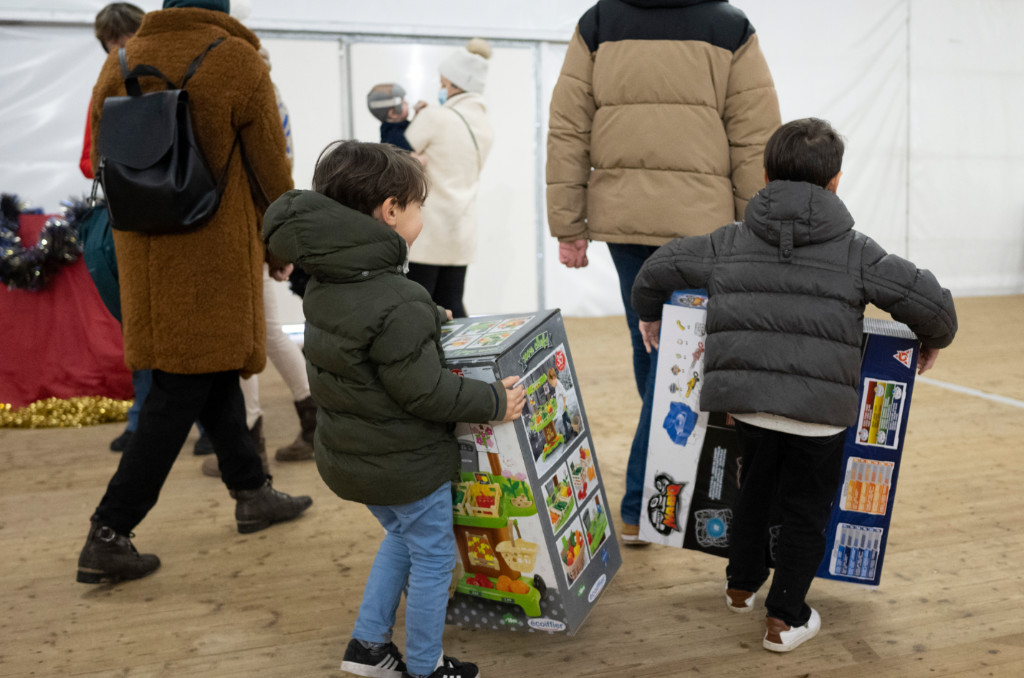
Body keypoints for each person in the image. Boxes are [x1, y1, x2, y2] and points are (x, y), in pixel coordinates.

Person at [631, 118, 958, 652]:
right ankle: (785, 617)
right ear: (835, 182)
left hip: (749, 406)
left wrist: (649, 315)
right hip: (820, 414)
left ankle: (740, 586)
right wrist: (932, 338)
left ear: (764, 174)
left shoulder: (727, 241)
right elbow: (933, 304)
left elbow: (657, 269)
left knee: (754, 489)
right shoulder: (857, 251)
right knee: (806, 510)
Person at [263, 140, 526, 678]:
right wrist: (496, 401)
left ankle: (368, 648)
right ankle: (425, 668)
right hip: (404, 462)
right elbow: (425, 392)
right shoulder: (396, 298)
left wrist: (423, 316)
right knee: (433, 558)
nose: (421, 215)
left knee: (403, 539)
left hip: (351, 457)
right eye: (418, 205)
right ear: (390, 211)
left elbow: (369, 336)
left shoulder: (329, 284)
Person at [76, 0, 312, 585]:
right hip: (211, 253)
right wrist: (282, 247)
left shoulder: (122, 60)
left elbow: (101, 158)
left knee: (210, 369)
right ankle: (110, 530)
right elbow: (269, 172)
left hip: (143, 251)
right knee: (177, 390)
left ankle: (252, 492)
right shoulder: (236, 60)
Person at [546, 0, 782, 545]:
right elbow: (754, 138)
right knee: (673, 354)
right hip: (702, 223)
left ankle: (654, 475)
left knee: (655, 347)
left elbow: (567, 128)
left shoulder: (600, 23)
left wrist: (569, 224)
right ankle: (640, 502)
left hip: (623, 218)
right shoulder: (730, 29)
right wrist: (758, 228)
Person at [79, 3, 146, 453]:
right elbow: (88, 161)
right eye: (113, 42)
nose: (120, 49)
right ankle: (143, 418)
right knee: (139, 324)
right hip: (132, 216)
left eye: (125, 38)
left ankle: (204, 425)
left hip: (160, 216)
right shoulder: (107, 83)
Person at [403, 38, 495, 318]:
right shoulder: (485, 127)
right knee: (452, 304)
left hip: (426, 232)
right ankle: (463, 362)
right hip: (460, 231)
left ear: (455, 84)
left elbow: (396, 156)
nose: (441, 89)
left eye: (443, 84)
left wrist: (417, 117)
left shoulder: (435, 117)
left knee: (418, 309)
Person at [368, 82, 414, 151]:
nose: (407, 103)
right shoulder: (392, 134)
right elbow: (406, 155)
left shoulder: (399, 124)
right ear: (392, 113)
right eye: (403, 102)